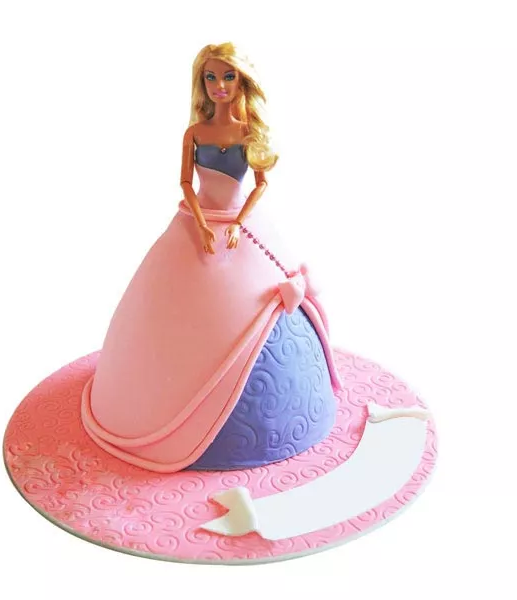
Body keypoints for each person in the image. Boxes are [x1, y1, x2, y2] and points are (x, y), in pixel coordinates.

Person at [81, 42, 341, 473]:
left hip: (241, 228)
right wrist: (202, 224)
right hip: (197, 223)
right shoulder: (194, 134)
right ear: (201, 83)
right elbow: (186, 183)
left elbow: (260, 184)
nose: (220, 85)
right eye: (211, 77)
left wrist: (237, 223)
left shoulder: (248, 133)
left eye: (228, 76)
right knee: (174, 314)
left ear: (242, 82)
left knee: (248, 310)